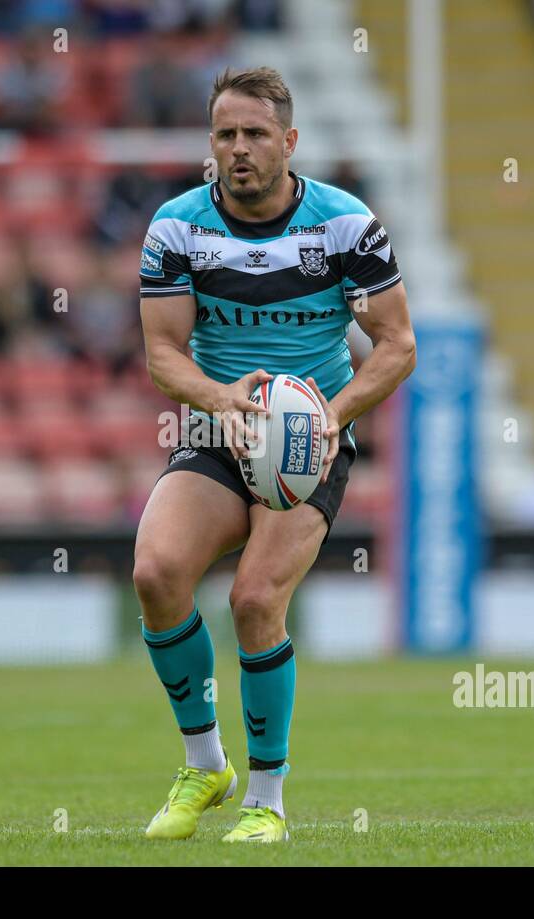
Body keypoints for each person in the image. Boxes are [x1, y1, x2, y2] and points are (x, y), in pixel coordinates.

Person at [134, 67, 415, 843]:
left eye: (256, 134)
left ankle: (268, 801)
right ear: (210, 145)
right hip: (221, 431)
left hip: (307, 441)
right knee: (156, 573)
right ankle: (204, 763)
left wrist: (335, 413)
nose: (239, 149)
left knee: (255, 600)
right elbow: (164, 355)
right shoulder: (177, 227)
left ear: (289, 142)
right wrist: (221, 400)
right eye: (225, 135)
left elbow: (396, 347)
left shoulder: (346, 226)